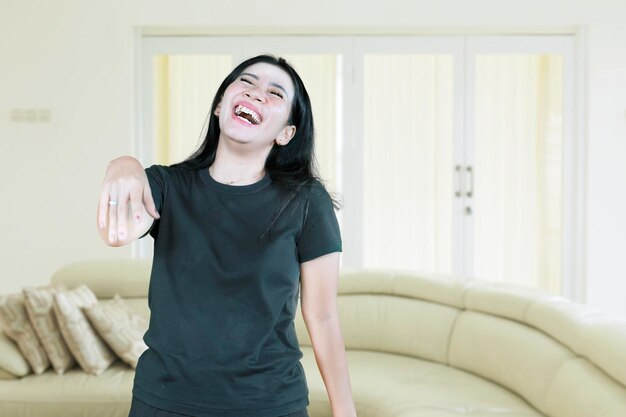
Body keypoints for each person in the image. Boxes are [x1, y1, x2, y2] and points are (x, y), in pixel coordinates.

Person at [96, 54, 358, 417]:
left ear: (286, 133)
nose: (257, 93)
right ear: (221, 105)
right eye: (247, 82)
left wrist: (345, 411)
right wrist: (123, 164)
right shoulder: (167, 186)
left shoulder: (306, 201)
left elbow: (323, 314)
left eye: (275, 93)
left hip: (269, 404)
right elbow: (117, 232)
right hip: (164, 402)